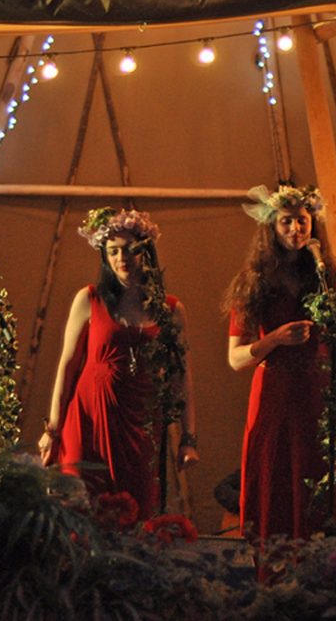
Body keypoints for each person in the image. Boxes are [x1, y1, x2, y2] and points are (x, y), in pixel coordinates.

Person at [38, 208, 199, 520]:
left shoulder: (171, 309)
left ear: (145, 252)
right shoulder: (89, 299)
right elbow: (67, 366)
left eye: (129, 250)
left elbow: (182, 375)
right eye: (112, 251)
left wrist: (189, 438)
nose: (122, 258)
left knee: (136, 507)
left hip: (140, 418)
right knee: (84, 506)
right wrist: (53, 429)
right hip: (89, 418)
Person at [224, 183, 336, 541]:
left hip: (318, 395)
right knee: (276, 477)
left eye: (302, 221)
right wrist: (274, 339)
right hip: (274, 394)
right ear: (272, 226)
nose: (295, 230)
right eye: (286, 222)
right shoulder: (252, 283)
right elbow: (236, 358)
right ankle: (276, 566)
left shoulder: (329, 277)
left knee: (321, 478)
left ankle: (329, 568)